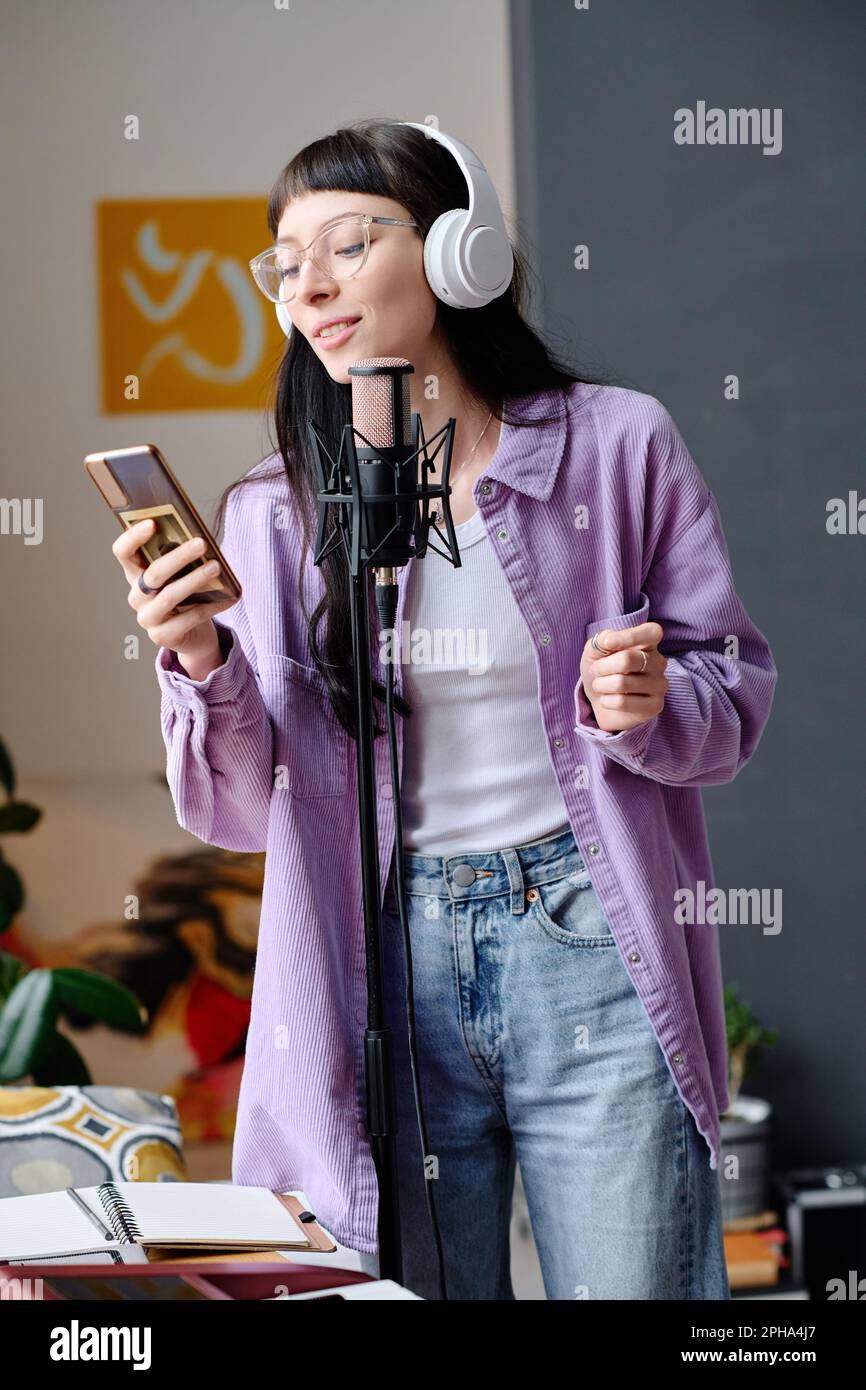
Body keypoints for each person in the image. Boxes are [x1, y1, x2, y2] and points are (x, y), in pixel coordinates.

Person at [112, 119, 777, 1300]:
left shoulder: (616, 447)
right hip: (380, 956)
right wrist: (201, 657)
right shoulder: (274, 512)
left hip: (586, 936)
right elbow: (233, 807)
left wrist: (652, 697)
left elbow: (731, 697)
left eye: (347, 243)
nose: (307, 285)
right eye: (284, 262)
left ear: (458, 255)